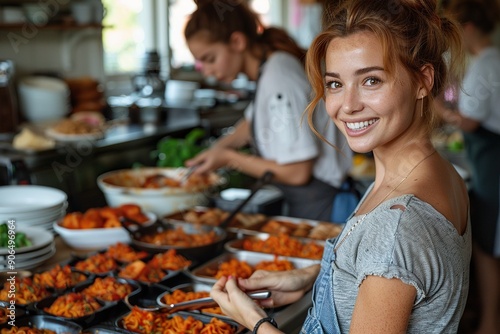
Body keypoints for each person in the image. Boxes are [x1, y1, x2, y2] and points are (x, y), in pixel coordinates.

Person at [209, 0, 472, 333]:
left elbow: (392, 255)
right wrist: (311, 276)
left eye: (371, 80)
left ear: (423, 80)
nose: (347, 106)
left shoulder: (395, 226)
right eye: (335, 84)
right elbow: (396, 274)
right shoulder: (437, 172)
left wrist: (255, 321)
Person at [183, 0, 353, 222]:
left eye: (210, 59)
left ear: (237, 41)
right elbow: (250, 122)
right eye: (200, 63)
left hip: (323, 204)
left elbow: (298, 172)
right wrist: (217, 149)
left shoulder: (278, 77)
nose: (207, 72)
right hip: (310, 200)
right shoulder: (270, 67)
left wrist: (227, 158)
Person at [436, 1, 500, 333]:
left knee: (488, 245)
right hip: (487, 160)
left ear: (469, 29)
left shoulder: (488, 62)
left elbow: (470, 122)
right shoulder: (485, 60)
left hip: (493, 163)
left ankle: (490, 322)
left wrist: (439, 109)